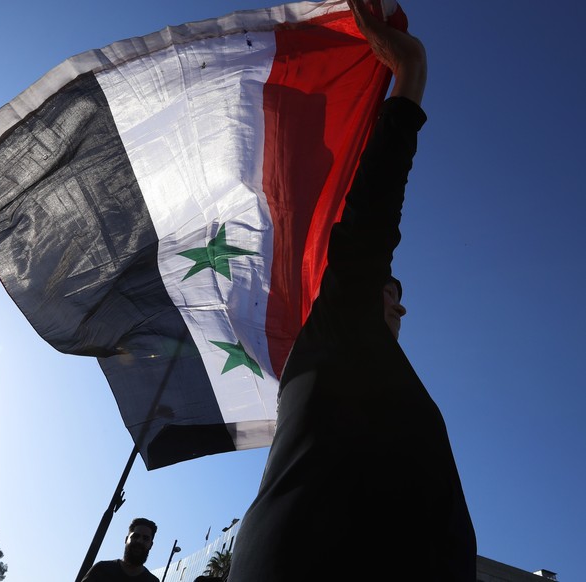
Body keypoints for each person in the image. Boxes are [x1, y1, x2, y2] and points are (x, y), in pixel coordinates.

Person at [228, 2, 476, 581]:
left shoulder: (355, 356)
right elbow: (369, 221)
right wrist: (409, 82)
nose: (401, 303)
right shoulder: (339, 328)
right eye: (390, 288)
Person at [80, 518, 159, 582]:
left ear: (151, 545)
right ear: (126, 539)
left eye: (145, 538)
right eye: (135, 536)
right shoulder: (101, 569)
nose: (139, 541)